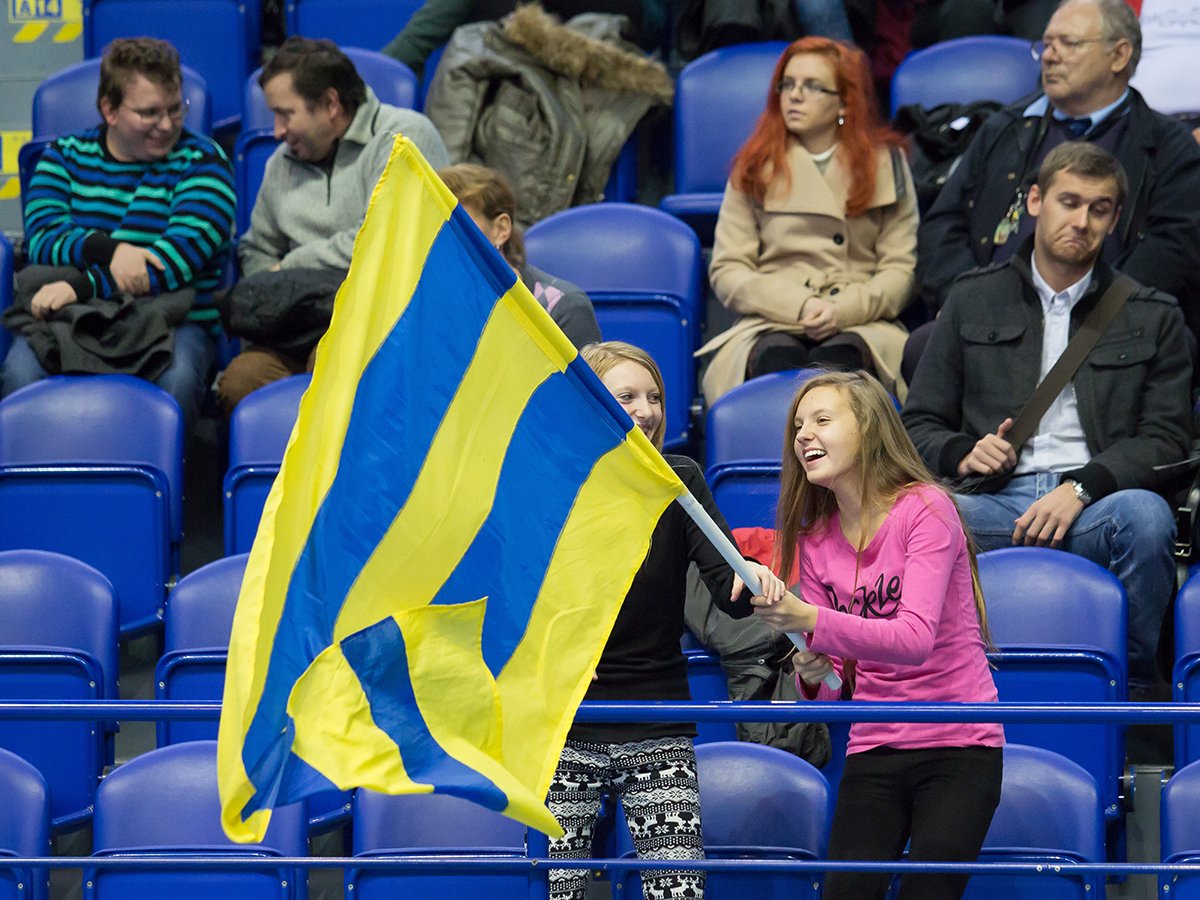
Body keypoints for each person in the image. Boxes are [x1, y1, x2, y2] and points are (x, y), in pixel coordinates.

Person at [902, 141, 1192, 694]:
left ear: (1114, 220)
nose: (1081, 221)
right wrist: (961, 449)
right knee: (918, 512)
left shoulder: (1153, 313)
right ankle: (929, 690)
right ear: (1036, 200)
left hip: (1097, 508)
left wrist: (1083, 486)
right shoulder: (972, 298)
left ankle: (1131, 698)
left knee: (1148, 518)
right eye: (1069, 201)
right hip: (990, 505)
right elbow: (917, 424)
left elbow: (1166, 439)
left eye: (1099, 209)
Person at [748, 369, 1004, 900]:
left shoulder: (927, 507)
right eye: (798, 425)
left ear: (868, 429)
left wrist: (810, 621)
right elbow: (834, 686)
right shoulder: (814, 539)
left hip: (957, 742)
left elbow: (913, 641)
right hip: (873, 745)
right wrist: (812, 670)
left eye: (822, 420)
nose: (803, 435)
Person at [546, 340, 777, 900]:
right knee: (559, 891)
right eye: (626, 396)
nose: (646, 410)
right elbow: (513, 594)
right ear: (586, 400)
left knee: (677, 892)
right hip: (560, 724)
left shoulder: (680, 479)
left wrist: (749, 578)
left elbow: (726, 590)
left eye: (653, 397)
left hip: (657, 719)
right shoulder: (546, 483)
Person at [914, 0, 1200, 335]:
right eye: (1047, 44)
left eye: (1070, 44)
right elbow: (942, 224)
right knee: (922, 346)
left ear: (1119, 56)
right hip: (987, 319)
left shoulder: (1169, 147)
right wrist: (964, 297)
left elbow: (1170, 253)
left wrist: (1082, 312)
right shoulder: (1003, 128)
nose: (1050, 55)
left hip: (1105, 327)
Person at [2, 37, 236, 428]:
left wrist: (81, 284)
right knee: (18, 377)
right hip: (69, 320)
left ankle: (163, 488)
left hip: (172, 322)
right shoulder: (64, 156)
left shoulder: (204, 161)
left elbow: (172, 262)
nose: (167, 125)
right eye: (149, 113)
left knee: (175, 382)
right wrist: (110, 251)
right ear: (109, 110)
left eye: (176, 109)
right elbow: (43, 238)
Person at [216, 36, 450, 413]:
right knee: (239, 383)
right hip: (297, 325)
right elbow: (257, 247)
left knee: (330, 371)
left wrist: (290, 268)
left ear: (330, 104)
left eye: (285, 114)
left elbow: (384, 238)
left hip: (377, 322)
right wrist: (274, 298)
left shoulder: (404, 137)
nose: (276, 131)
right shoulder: (281, 162)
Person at [699, 36, 918, 405]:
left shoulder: (886, 164)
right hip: (772, 316)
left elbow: (900, 270)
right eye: (787, 84)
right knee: (775, 357)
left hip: (859, 316)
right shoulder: (753, 165)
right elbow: (729, 269)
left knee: (844, 363)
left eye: (812, 86)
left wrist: (842, 310)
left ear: (844, 101)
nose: (794, 95)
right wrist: (799, 305)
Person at [438, 164, 600, 348]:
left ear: (501, 229)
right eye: (438, 225)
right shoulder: (429, 305)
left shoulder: (562, 308)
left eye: (460, 224)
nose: (446, 236)